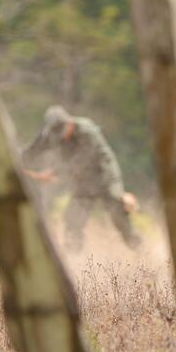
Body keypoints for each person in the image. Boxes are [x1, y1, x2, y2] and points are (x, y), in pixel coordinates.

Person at [23, 105, 141, 252]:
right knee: (72, 219)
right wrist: (15, 161)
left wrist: (53, 173)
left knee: (118, 213)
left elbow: (83, 160)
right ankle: (74, 257)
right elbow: (32, 151)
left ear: (70, 123)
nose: (61, 136)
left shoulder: (87, 131)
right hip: (83, 181)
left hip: (104, 174)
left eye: (62, 131)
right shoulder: (49, 134)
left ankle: (139, 250)